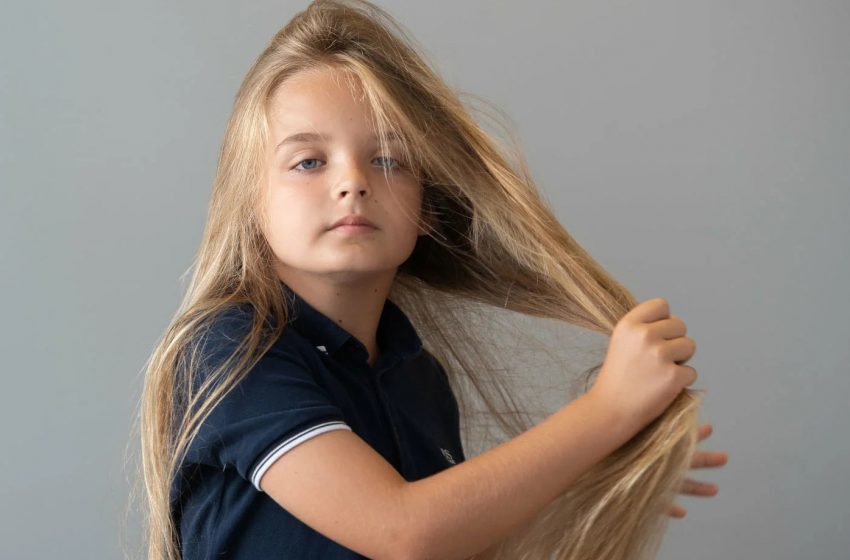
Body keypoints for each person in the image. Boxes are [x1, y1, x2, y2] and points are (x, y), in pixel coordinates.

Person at [136, 1, 728, 559]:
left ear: (425, 210)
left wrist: (610, 472)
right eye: (308, 161)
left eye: (389, 159)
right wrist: (606, 414)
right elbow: (402, 531)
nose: (353, 182)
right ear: (251, 205)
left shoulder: (417, 374)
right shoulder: (232, 349)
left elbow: (455, 535)